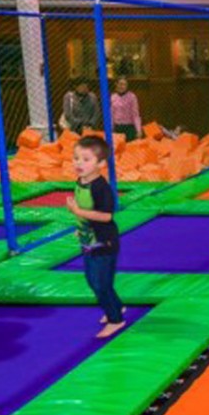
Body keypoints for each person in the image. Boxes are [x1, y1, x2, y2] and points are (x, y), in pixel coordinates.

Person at [67, 135, 126, 338]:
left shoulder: (101, 188)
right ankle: (117, 306)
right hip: (88, 240)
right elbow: (85, 210)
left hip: (104, 242)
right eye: (76, 158)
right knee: (93, 280)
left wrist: (78, 212)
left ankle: (115, 319)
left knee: (100, 283)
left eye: (86, 159)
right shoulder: (80, 181)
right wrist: (80, 228)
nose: (79, 163)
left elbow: (106, 216)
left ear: (100, 164)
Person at [110, 77, 142, 141]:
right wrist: (110, 128)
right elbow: (111, 114)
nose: (122, 86)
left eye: (124, 84)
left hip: (129, 128)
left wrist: (138, 130)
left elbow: (135, 115)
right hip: (117, 127)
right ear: (116, 84)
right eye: (120, 84)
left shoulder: (132, 97)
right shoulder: (113, 97)